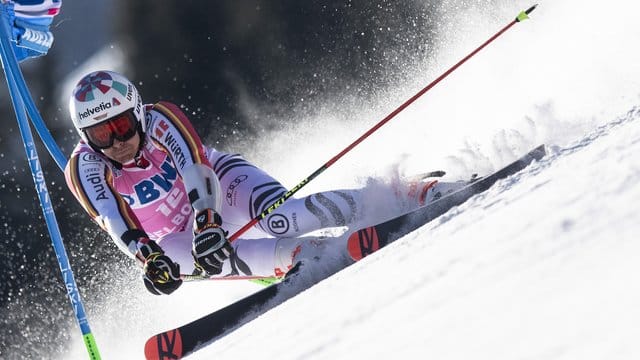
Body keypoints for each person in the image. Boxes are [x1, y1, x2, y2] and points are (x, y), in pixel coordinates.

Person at [64, 70, 465, 295]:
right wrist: (151, 262)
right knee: (196, 259)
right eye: (102, 135)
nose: (116, 142)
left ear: (136, 112)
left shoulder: (161, 118)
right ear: (87, 137)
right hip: (171, 235)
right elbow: (116, 221)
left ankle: (406, 192)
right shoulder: (86, 169)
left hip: (218, 187)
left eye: (120, 125)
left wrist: (207, 221)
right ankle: (314, 255)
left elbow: (195, 166)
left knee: (281, 218)